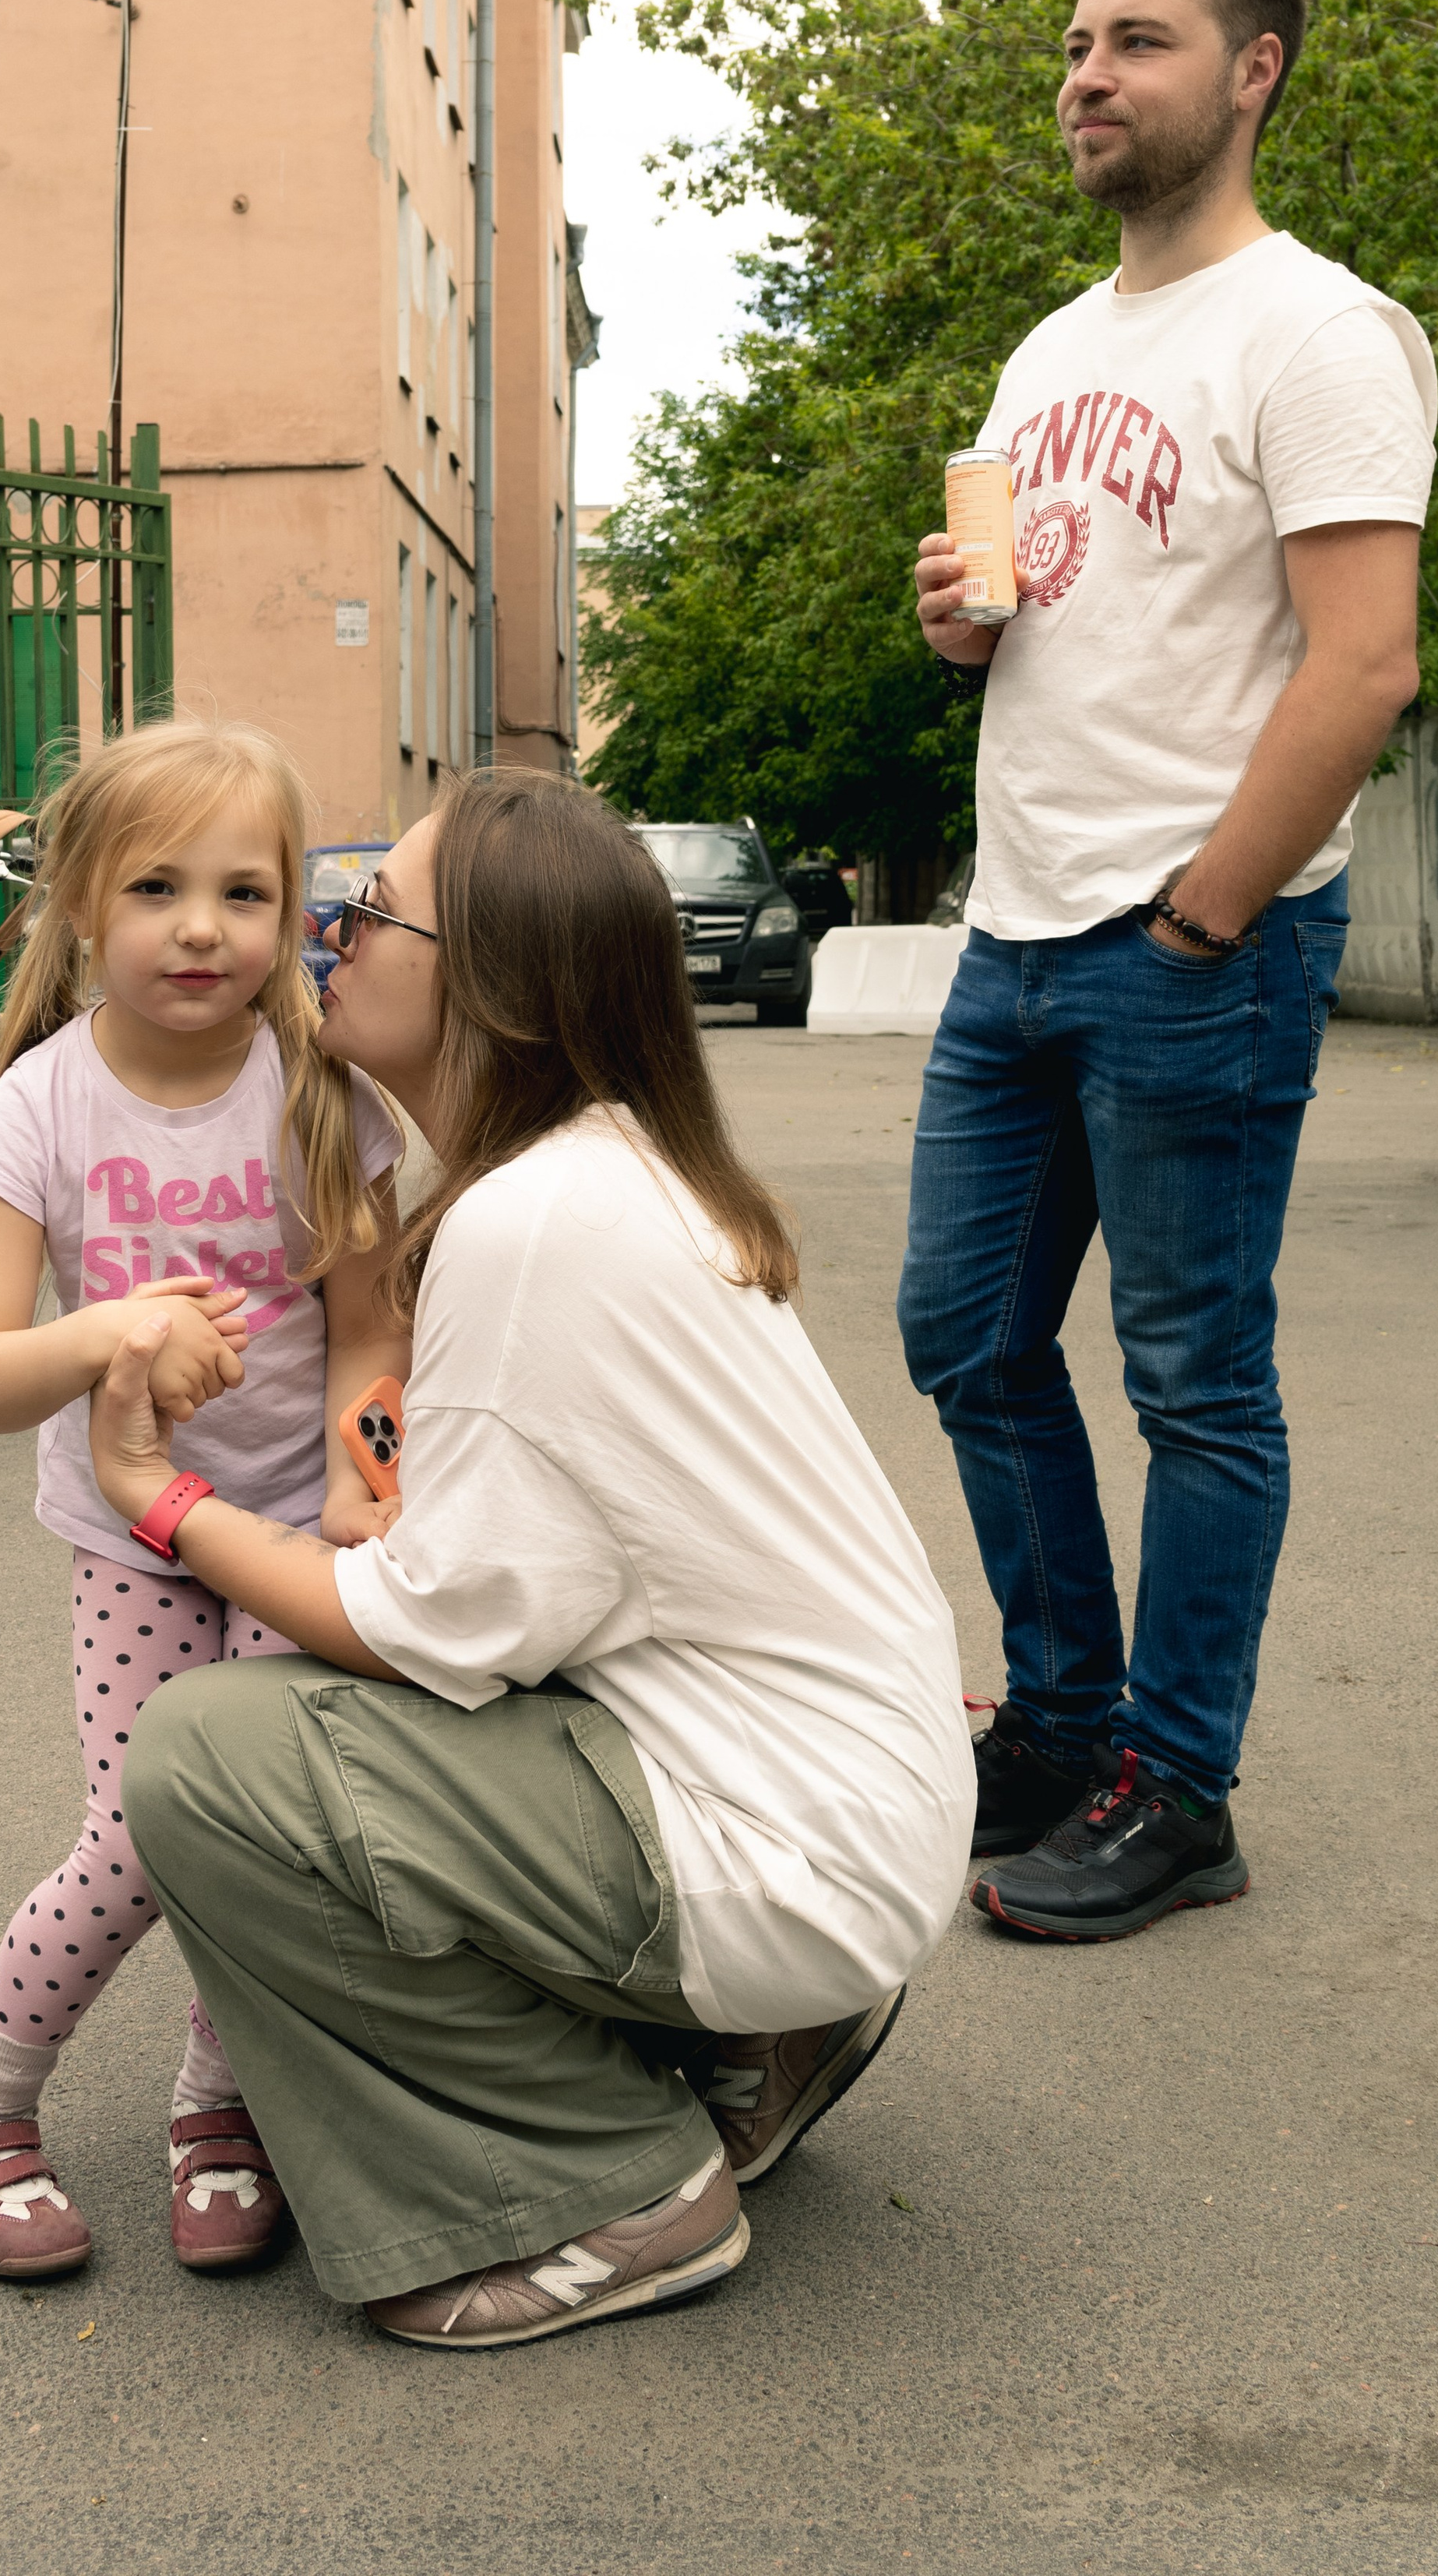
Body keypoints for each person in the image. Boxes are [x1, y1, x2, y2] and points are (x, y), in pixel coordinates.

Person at [92, 771, 975, 2349]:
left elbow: (426, 1632)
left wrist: (161, 1505)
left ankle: (607, 2188)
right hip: (841, 1802)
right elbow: (531, 1564)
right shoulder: (602, 1169)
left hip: (782, 1841)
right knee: (319, 1732)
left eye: (372, 910)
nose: (326, 928)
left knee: (205, 1759)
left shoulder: (532, 1221)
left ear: (491, 980)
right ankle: (753, 2038)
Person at [898, 0, 1434, 1943]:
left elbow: (1362, 663)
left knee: (1196, 1378)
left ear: (1252, 71)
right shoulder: (1053, 349)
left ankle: (1178, 1787)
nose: (1086, 77)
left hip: (1186, 947)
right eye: (1076, 44)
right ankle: (1058, 1719)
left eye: (1135, 41)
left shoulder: (1320, 334)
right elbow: (1050, 618)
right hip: (1015, 934)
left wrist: (1211, 908)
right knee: (963, 1333)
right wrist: (961, 624)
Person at [0, 717, 405, 2282]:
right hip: (128, 1540)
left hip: (288, 1539)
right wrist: (110, 1330)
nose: (202, 928)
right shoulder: (42, 1108)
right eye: (155, 888)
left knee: (259, 1838)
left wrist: (359, 1483)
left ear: (290, 911)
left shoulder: (322, 1085)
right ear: (77, 905)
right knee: (137, 1839)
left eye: (244, 892)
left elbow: (372, 1326)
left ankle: (219, 2110)